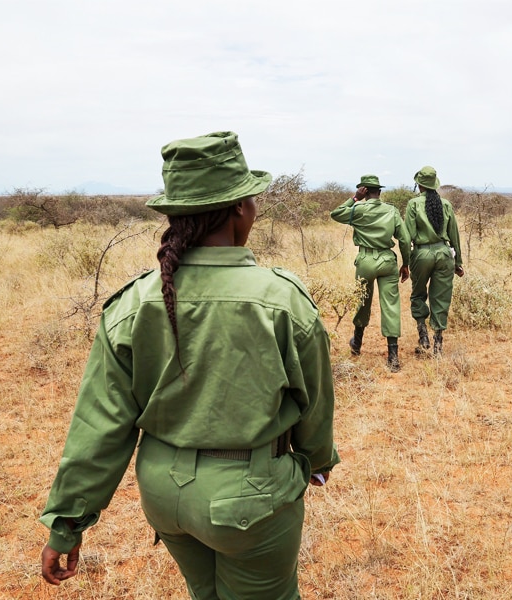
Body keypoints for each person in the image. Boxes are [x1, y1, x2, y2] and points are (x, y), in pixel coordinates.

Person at [39, 131, 339, 600]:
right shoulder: (281, 299)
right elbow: (315, 402)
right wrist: (316, 463)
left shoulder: (134, 301)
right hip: (249, 498)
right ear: (241, 207)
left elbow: (100, 425)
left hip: (164, 495)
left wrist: (67, 524)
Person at [330, 174, 411, 372]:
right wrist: (406, 264)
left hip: (365, 260)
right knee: (391, 304)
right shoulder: (391, 211)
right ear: (379, 192)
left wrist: (355, 198)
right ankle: (393, 356)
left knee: (362, 301)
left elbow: (336, 213)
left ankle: (357, 343)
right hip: (387, 260)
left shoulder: (357, 209)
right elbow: (405, 239)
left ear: (364, 191)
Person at [404, 166, 464, 355]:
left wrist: (405, 262)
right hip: (445, 254)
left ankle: (423, 337)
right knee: (441, 297)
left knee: (418, 294)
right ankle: (438, 344)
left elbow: (408, 236)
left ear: (419, 185)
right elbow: (454, 234)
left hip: (421, 254)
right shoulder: (445, 204)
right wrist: (458, 262)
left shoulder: (413, 204)